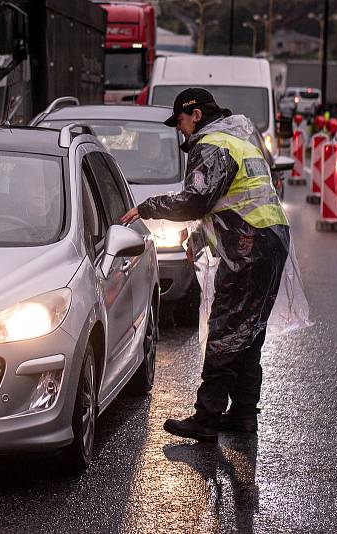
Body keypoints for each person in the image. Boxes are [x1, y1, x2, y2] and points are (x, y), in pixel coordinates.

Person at [121, 88, 290, 443]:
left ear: (196, 114)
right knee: (248, 328)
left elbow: (197, 201)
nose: (179, 128)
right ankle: (243, 414)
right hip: (268, 237)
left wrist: (148, 207)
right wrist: (197, 241)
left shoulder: (212, 144)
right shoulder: (235, 139)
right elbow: (226, 202)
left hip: (250, 243)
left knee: (228, 324)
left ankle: (207, 418)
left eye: (180, 120)